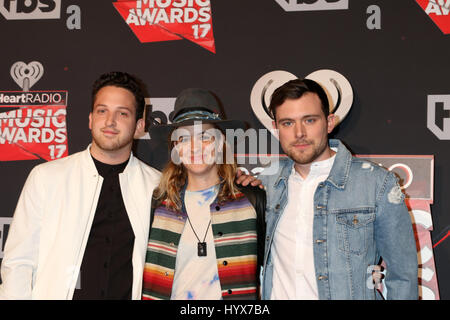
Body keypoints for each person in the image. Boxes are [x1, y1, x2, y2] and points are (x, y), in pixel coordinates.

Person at [0, 72, 260, 300]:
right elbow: (18, 263)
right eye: (102, 111)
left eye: (122, 113)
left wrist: (242, 185)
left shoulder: (158, 188)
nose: (110, 121)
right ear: (90, 119)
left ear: (139, 126)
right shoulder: (47, 178)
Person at [260, 78, 418, 300]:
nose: (299, 133)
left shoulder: (376, 184)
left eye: (310, 120)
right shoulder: (265, 184)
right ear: (276, 128)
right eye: (287, 123)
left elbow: (403, 276)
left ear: (329, 122)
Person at [141, 88, 266, 300]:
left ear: (219, 144)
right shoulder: (159, 204)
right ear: (176, 148)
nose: (194, 147)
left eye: (204, 137)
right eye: (184, 138)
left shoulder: (251, 199)